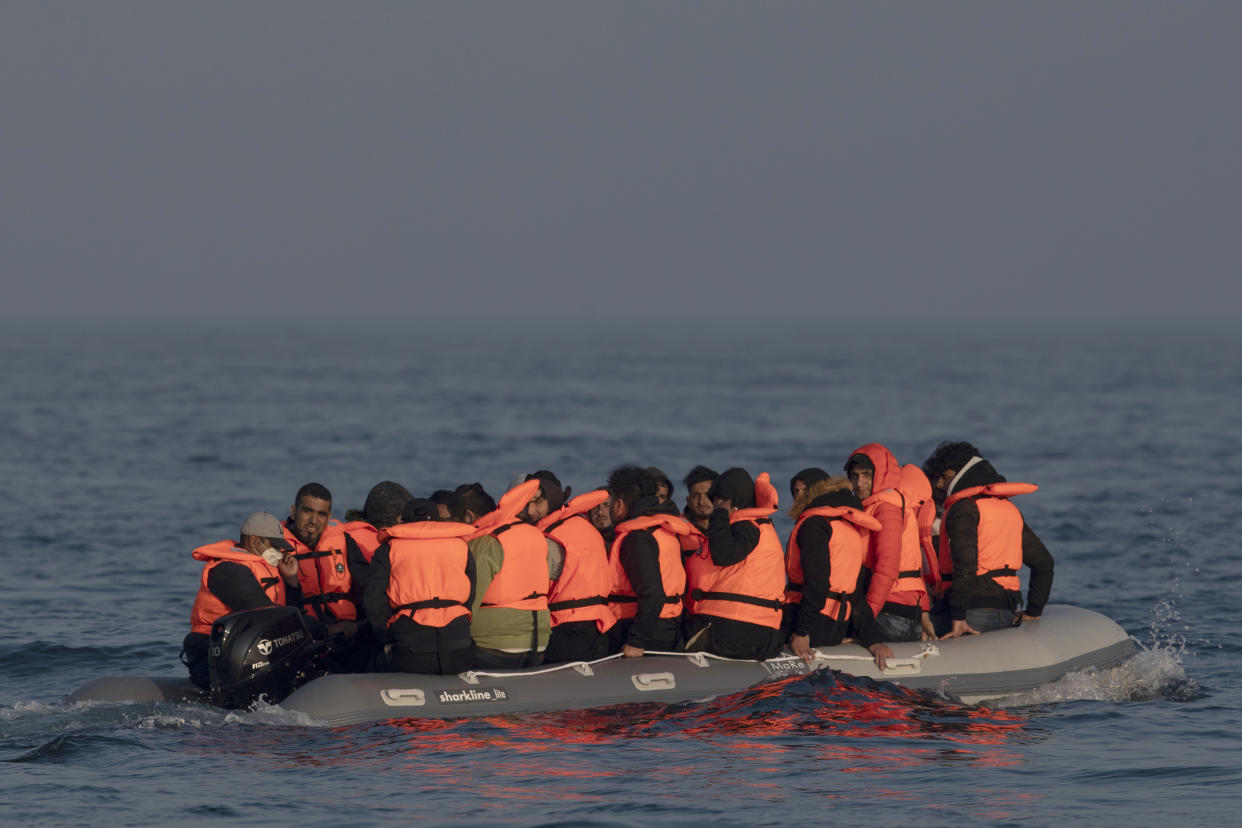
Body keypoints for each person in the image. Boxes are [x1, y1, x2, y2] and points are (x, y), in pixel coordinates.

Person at [921, 441, 1055, 637]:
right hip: (1005, 610)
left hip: (969, 613)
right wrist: (1033, 611)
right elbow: (1044, 563)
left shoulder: (962, 508)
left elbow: (965, 565)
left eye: (941, 478)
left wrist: (958, 617)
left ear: (954, 474)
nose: (939, 485)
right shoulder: (1009, 508)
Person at [182, 512, 302, 688]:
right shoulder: (228, 570)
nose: (279, 553)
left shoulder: (266, 568)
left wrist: (291, 581)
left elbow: (290, 615)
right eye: (274, 546)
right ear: (254, 541)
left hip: (246, 648)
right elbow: (266, 615)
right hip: (209, 652)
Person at [785, 477, 892, 669]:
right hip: (835, 626)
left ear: (816, 492)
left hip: (811, 623)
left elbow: (818, 583)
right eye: (795, 492)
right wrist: (872, 639)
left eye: (804, 490)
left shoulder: (814, 525)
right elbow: (855, 592)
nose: (798, 496)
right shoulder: (847, 527)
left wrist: (802, 631)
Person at [683, 469, 787, 660]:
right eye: (715, 499)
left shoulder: (747, 526)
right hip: (752, 627)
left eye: (721, 499)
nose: (715, 504)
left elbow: (723, 555)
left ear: (735, 499)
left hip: (733, 630)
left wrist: (720, 514)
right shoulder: (756, 525)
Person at [363, 498, 476, 674]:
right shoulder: (461, 546)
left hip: (411, 651)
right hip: (460, 648)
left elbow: (372, 600)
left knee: (370, 664)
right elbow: (471, 595)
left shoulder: (389, 548)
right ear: (437, 522)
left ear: (403, 522)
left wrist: (385, 635)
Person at [462, 480, 562, 668]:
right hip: (540, 641)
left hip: (494, 644)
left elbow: (470, 600)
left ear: (469, 517)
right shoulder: (537, 536)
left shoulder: (488, 540)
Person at [605, 465, 702, 657]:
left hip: (644, 629)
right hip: (667, 624)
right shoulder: (662, 530)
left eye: (612, 501)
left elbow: (653, 593)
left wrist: (636, 642)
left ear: (620, 503)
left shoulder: (638, 537)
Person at [843, 445, 933, 642]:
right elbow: (914, 563)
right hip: (899, 609)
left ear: (881, 474)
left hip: (892, 612)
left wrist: (864, 623)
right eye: (854, 475)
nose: (859, 483)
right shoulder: (878, 505)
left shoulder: (887, 509)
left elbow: (888, 568)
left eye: (867, 475)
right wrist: (923, 608)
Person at [537, 489, 618, 662]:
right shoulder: (592, 535)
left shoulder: (557, 535)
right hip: (603, 623)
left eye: (606, 506)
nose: (600, 512)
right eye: (595, 508)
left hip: (578, 624)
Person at [282, 483, 358, 634]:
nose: (314, 521)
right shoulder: (277, 548)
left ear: (328, 517)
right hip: (303, 635)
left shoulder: (344, 541)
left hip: (347, 630)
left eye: (321, 514)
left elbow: (366, 583)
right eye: (307, 511)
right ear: (293, 511)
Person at [681, 465, 718, 532]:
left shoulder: (734, 528)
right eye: (696, 495)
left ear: (718, 497)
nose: (701, 501)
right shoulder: (677, 530)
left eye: (707, 494)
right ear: (688, 501)